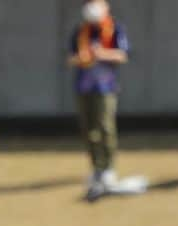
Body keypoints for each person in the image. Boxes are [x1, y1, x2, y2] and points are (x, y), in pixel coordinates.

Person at [68, 0, 129, 198]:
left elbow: (123, 55)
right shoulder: (80, 31)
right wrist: (82, 57)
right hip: (84, 86)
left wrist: (102, 54)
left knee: (106, 126)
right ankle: (96, 167)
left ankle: (109, 167)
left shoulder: (115, 28)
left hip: (106, 87)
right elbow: (70, 58)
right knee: (88, 129)